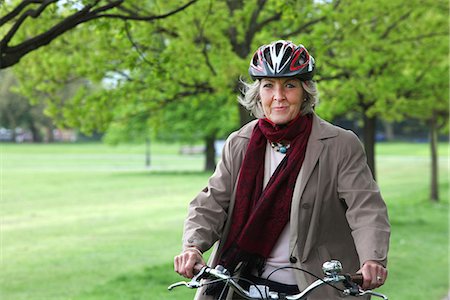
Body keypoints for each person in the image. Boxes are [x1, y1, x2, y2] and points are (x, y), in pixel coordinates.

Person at [174, 40, 390, 299]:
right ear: (258, 92)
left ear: (305, 91)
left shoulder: (339, 145)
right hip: (244, 283)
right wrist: (192, 246)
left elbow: (365, 208)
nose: (278, 96)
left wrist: (372, 259)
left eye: (289, 85)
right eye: (268, 86)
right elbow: (212, 202)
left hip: (314, 286)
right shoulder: (240, 143)